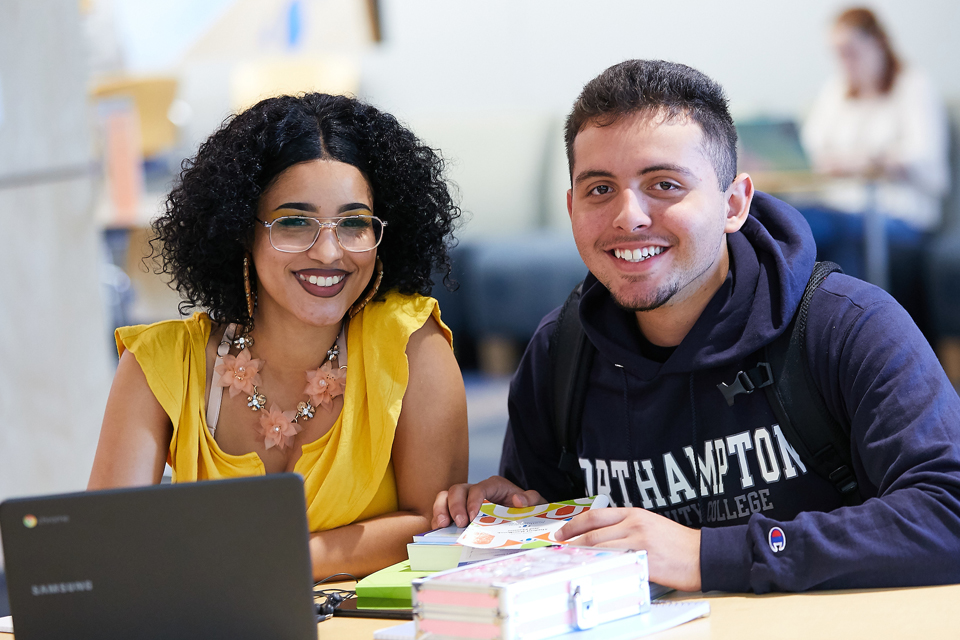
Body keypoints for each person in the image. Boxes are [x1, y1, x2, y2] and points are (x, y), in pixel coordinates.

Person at [433, 60, 960, 593]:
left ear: (734, 204)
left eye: (663, 184)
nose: (628, 216)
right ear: (571, 208)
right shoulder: (559, 353)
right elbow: (558, 551)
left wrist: (709, 554)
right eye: (599, 190)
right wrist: (521, 515)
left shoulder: (845, 324)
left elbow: (947, 514)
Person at [88, 93, 469, 580]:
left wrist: (271, 558)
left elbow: (437, 528)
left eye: (353, 223)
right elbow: (104, 547)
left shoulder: (411, 344)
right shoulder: (161, 362)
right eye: (293, 222)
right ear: (242, 229)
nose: (329, 252)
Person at [800, 7, 950, 338]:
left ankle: (854, 340)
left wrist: (864, 161)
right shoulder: (836, 90)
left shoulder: (913, 86)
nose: (846, 62)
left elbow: (924, 158)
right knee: (792, 217)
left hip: (900, 216)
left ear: (878, 44)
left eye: (851, 52)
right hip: (842, 210)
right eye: (839, 54)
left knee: (824, 229)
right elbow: (812, 149)